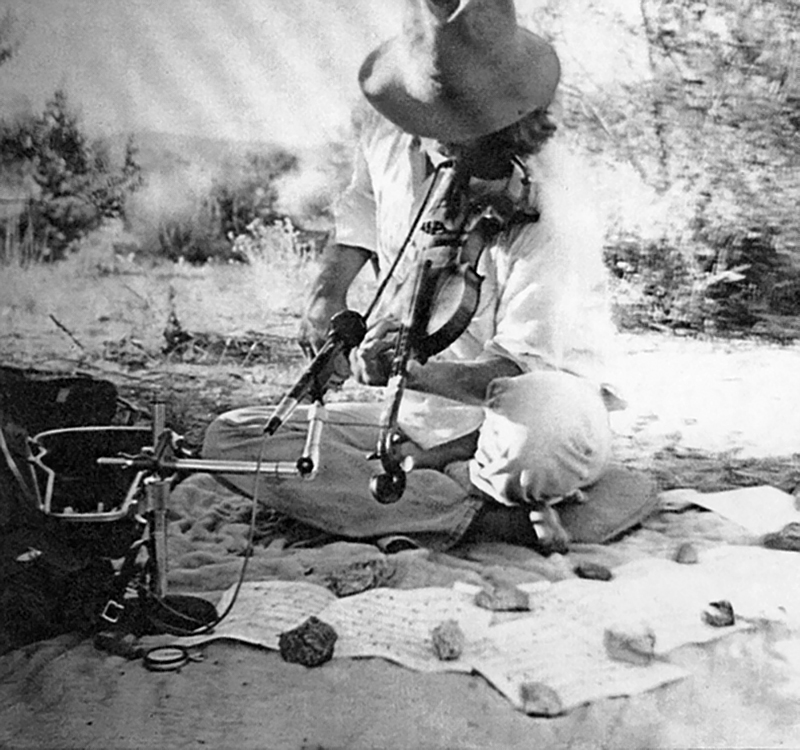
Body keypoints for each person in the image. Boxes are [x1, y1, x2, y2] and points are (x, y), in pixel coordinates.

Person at [203, 0, 654, 553]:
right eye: (430, 113)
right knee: (232, 438)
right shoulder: (390, 128)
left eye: (461, 121)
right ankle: (480, 514)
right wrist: (329, 292)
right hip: (413, 413)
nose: (439, 136)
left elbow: (520, 363)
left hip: (523, 408)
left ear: (512, 116)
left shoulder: (552, 204)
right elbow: (363, 205)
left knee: (541, 426)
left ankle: (440, 487)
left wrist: (409, 370)